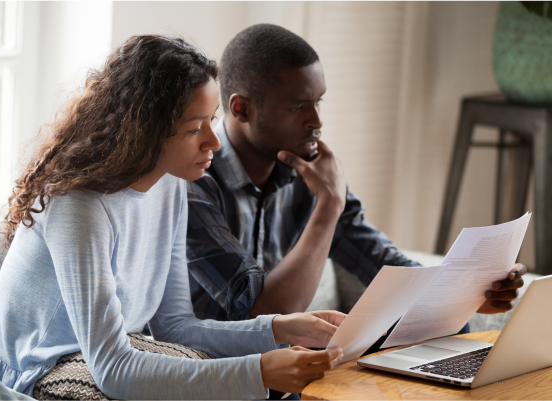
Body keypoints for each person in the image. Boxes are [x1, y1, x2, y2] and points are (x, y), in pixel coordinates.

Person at [0, 35, 347, 401]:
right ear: (144, 132)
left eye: (211, 122)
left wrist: (283, 326)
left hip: (99, 361)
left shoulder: (171, 185)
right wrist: (258, 371)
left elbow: (174, 327)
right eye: (195, 129)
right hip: (27, 375)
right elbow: (112, 367)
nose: (213, 142)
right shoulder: (78, 206)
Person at [186, 23, 526, 342]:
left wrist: (465, 295)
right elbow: (267, 317)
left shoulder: (308, 172)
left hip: (292, 368)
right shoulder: (193, 183)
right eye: (299, 107)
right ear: (242, 109)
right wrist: (329, 205)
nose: (317, 121)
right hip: (218, 369)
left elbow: (381, 261)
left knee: (444, 328)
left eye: (318, 102)